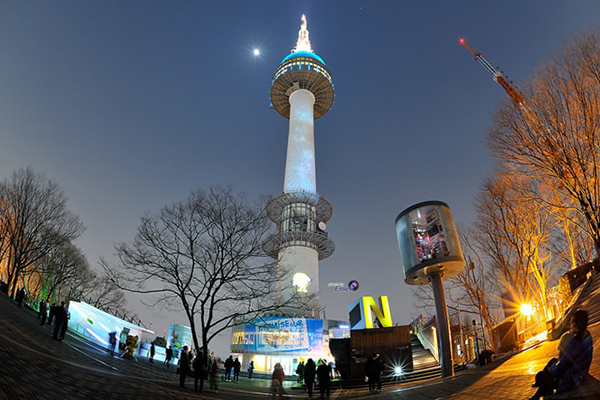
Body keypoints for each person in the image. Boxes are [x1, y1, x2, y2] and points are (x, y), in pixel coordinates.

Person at [530, 309, 594, 400]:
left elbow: (561, 366)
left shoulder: (575, 343)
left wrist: (549, 371)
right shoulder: (587, 335)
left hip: (573, 379)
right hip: (580, 372)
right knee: (552, 361)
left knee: (544, 376)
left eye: (571, 323)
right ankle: (537, 394)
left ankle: (537, 393)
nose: (570, 326)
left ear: (576, 325)